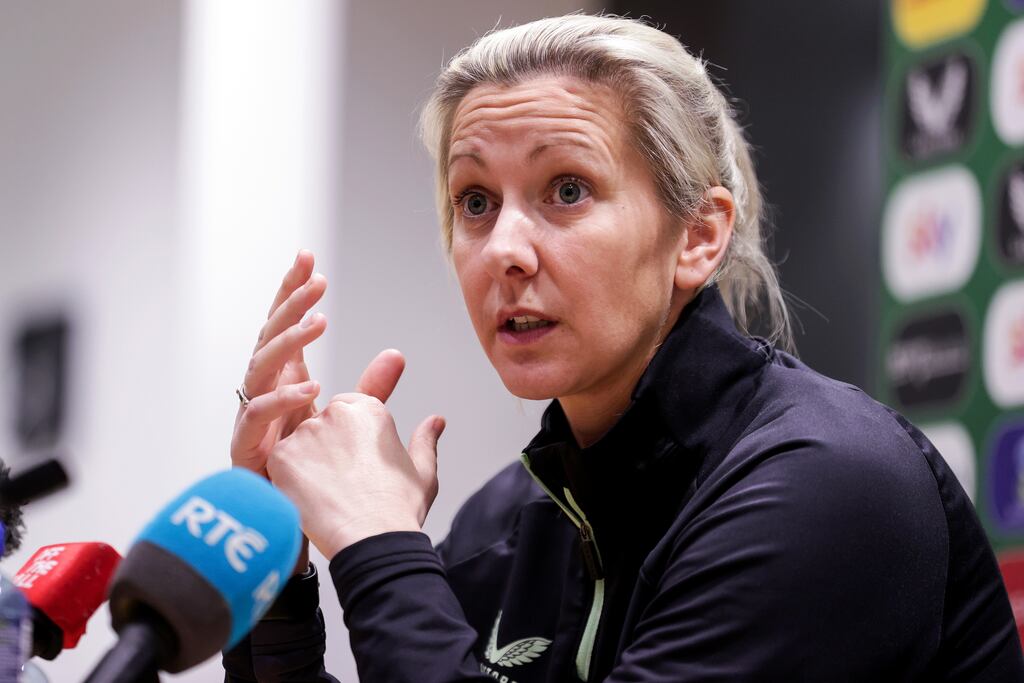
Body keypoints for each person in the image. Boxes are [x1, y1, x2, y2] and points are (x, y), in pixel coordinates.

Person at [222, 14, 1024, 682]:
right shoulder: (506, 518)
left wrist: (377, 541)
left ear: (698, 237)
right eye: (475, 200)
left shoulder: (830, 484)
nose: (506, 248)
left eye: (566, 190)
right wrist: (274, 556)